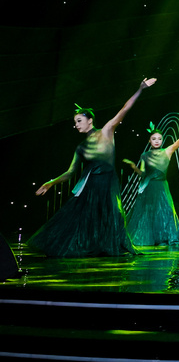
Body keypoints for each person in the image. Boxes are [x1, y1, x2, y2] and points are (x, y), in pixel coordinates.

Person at [30, 78, 156, 257]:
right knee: (84, 217)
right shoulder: (80, 147)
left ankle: (108, 246)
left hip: (108, 181)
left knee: (113, 215)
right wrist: (51, 183)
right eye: (75, 122)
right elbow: (70, 172)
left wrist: (140, 89)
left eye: (79, 120)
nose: (76, 125)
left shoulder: (106, 131)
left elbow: (124, 109)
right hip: (90, 185)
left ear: (90, 120)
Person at [122, 112, 179, 246]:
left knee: (165, 212)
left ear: (162, 140)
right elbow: (142, 174)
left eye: (159, 138)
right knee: (148, 214)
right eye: (154, 139)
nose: (157, 141)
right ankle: (151, 238)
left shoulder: (167, 151)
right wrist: (133, 166)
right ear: (149, 141)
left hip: (162, 187)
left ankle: (163, 237)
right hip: (148, 188)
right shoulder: (145, 155)